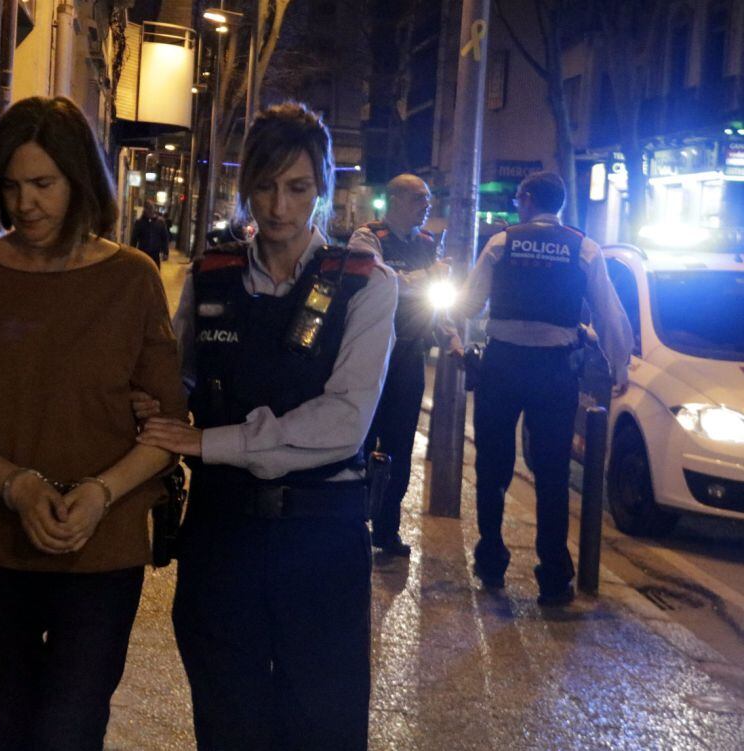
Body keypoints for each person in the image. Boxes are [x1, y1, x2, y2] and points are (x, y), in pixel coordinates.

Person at [0, 96, 186, 750]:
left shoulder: (131, 278)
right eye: (11, 186)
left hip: (102, 543)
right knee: (12, 727)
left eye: (43, 184)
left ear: (80, 181)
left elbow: (168, 422)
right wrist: (19, 486)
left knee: (69, 729)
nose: (25, 203)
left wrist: (97, 493)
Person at [136, 102, 398, 750]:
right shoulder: (210, 276)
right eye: (265, 185)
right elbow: (179, 377)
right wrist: (156, 404)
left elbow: (345, 421)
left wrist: (209, 441)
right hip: (222, 533)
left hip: (322, 534)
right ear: (245, 184)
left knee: (324, 725)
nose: (279, 206)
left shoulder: (368, 284)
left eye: (298, 188)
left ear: (323, 189)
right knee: (226, 722)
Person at [450, 171, 632, 607]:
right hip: (555, 372)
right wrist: (617, 362)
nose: (516, 206)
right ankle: (554, 578)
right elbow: (610, 313)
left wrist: (457, 341)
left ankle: (491, 562)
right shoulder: (584, 247)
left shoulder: (501, 243)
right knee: (551, 474)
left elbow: (467, 306)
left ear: (528, 199)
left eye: (517, 200)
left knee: (492, 468)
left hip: (502, 366)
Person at [348, 174, 462, 556]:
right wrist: (427, 277)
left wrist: (449, 334)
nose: (426, 205)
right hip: (370, 353)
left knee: (400, 442)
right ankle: (351, 521)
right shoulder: (367, 238)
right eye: (418, 198)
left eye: (428, 199)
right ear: (394, 199)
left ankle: (386, 529)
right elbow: (382, 283)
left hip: (410, 354)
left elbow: (435, 301)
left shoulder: (428, 244)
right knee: (362, 439)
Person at [129, 200, 170, 267]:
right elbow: (134, 238)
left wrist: (165, 252)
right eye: (148, 208)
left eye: (151, 208)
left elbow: (164, 238)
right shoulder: (140, 223)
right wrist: (132, 252)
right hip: (143, 253)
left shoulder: (160, 222)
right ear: (145, 210)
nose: (149, 211)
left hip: (155, 254)